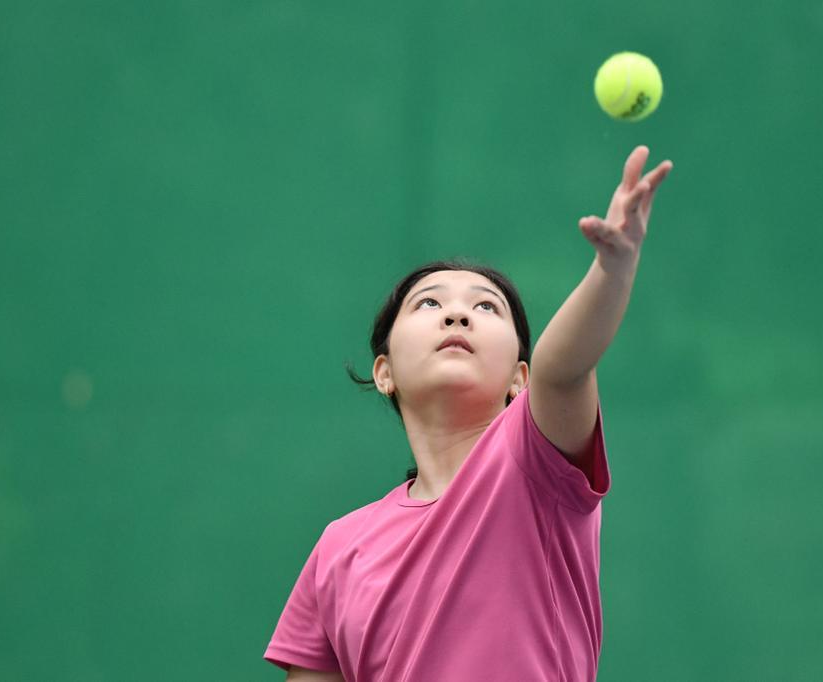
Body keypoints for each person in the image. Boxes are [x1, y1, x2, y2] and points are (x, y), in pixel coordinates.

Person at [263, 145, 673, 681]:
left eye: (486, 307)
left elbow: (563, 369)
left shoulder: (537, 464)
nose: (457, 313)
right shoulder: (339, 547)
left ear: (519, 380)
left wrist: (612, 269)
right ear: (384, 371)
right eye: (429, 303)